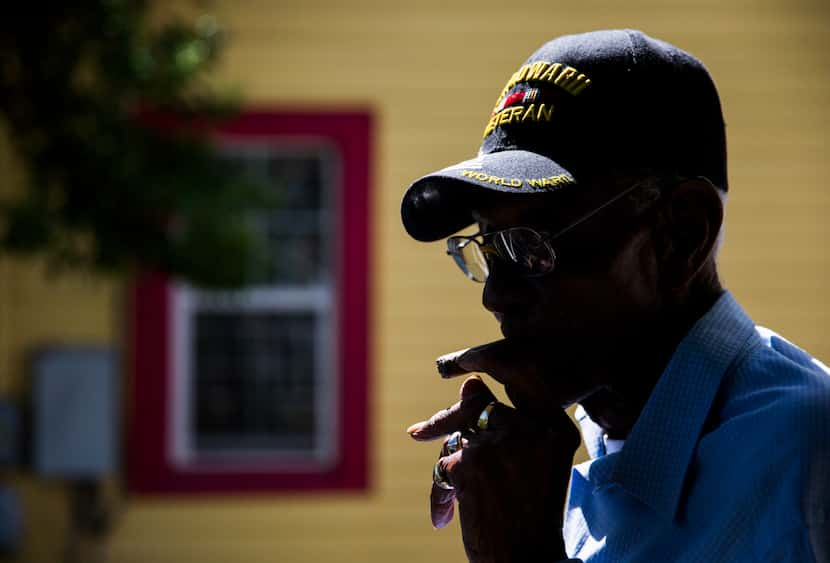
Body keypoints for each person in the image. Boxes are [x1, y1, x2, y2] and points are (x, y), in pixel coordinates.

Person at [400, 29, 830, 562]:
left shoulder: (810, 460)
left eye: (531, 246)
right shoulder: (567, 456)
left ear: (681, 236)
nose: (495, 294)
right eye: (489, 247)